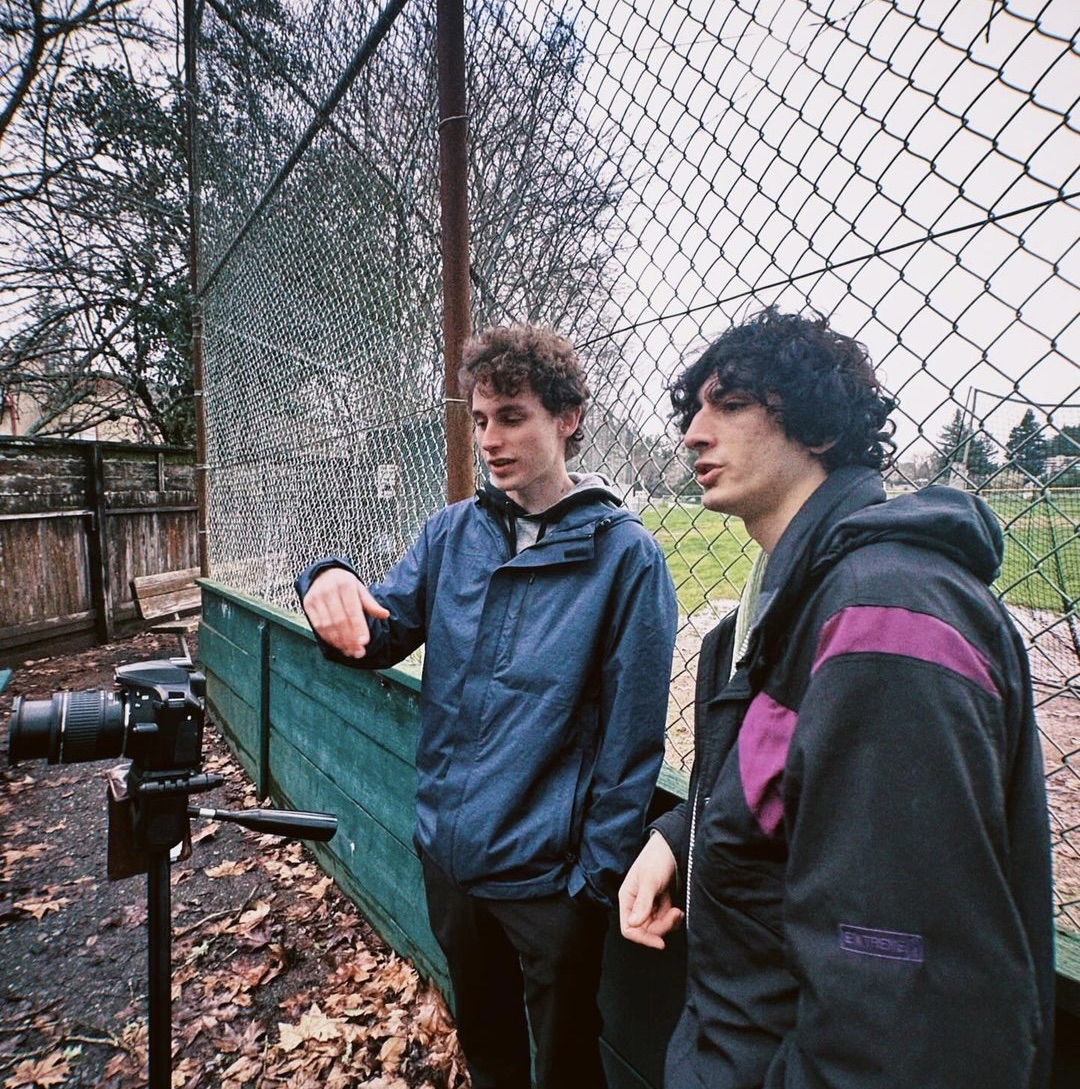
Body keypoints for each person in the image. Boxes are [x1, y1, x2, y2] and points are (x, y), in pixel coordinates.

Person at [618, 308, 1054, 1089]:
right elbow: (782, 782)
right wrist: (678, 835)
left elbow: (902, 999)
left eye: (731, 404)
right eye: (693, 410)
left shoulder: (884, 614)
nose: (692, 434)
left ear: (816, 426)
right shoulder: (760, 617)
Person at [297, 323, 678, 1089]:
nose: (491, 439)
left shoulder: (625, 557)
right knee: (488, 1046)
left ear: (567, 418)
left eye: (512, 416)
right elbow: (374, 635)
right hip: (451, 861)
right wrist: (325, 579)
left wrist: (591, 883)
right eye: (479, 420)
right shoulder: (450, 535)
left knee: (567, 1062)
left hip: (550, 884)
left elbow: (634, 742)